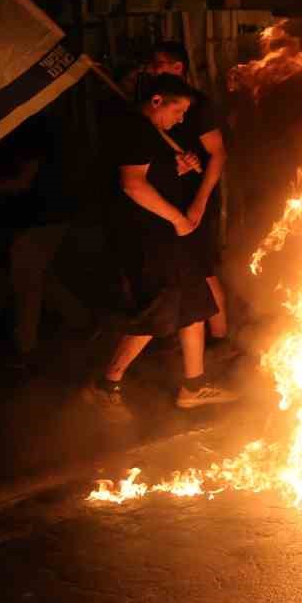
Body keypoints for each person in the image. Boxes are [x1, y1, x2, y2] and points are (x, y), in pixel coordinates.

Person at [81, 74, 237, 416]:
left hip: (168, 235)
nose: (181, 119)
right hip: (148, 236)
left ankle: (193, 386)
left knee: (195, 301)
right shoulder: (135, 130)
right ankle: (106, 384)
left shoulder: (152, 131)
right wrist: (179, 219)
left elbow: (153, 174)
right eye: (177, 110)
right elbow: (133, 185)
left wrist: (177, 169)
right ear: (156, 101)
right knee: (162, 308)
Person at [141, 41, 231, 352]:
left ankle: (220, 340)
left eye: (157, 64)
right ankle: (197, 338)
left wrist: (199, 204)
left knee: (202, 269)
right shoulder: (152, 106)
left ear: (178, 68)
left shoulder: (199, 107)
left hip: (195, 200)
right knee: (190, 269)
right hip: (173, 200)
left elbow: (218, 155)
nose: (150, 70)